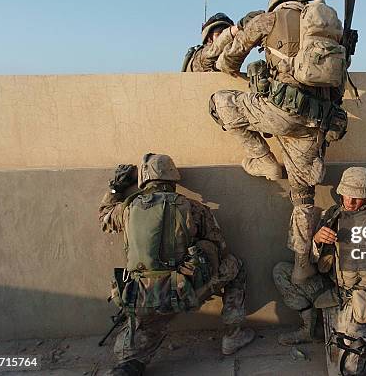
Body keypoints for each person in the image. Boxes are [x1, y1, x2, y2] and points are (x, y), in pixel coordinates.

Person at [210, 0, 350, 285]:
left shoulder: (267, 20)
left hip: (279, 113)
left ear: (275, 2)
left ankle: (263, 160)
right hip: (316, 124)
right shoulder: (331, 36)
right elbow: (337, 87)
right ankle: (302, 267)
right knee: (303, 198)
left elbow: (226, 63)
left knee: (220, 102)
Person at [99, 153, 255, 376]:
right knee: (234, 266)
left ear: (144, 179)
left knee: (128, 358)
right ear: (173, 178)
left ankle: (129, 365)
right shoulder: (194, 208)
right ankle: (233, 334)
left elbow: (104, 218)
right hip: (186, 291)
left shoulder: (127, 208)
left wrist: (116, 187)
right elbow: (220, 248)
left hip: (144, 297)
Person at [273, 167, 366, 375]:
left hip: (359, 302)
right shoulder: (333, 214)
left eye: (357, 198)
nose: (350, 202)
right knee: (282, 272)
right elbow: (311, 262)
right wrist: (316, 241)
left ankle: (361, 334)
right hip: (332, 290)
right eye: (347, 195)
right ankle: (309, 329)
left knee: (345, 370)